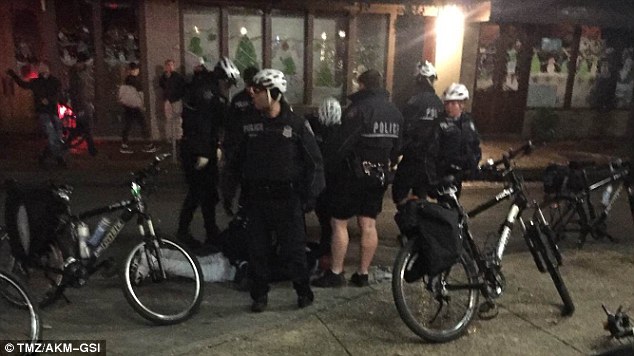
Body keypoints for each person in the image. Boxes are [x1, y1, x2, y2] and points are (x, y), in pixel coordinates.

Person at [231, 68, 325, 312]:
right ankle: (259, 296)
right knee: (257, 251)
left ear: (273, 93)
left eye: (258, 90)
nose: (252, 94)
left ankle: (303, 291)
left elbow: (314, 162)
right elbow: (234, 160)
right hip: (257, 199)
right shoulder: (249, 123)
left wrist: (309, 197)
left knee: (295, 250)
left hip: (288, 199)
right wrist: (229, 194)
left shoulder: (296, 124)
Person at [312, 69, 403, 288]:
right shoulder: (395, 113)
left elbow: (342, 146)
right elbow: (397, 148)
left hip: (352, 177)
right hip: (379, 175)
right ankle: (362, 273)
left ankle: (335, 273)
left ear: (362, 85)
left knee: (339, 223)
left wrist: (327, 169)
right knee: (368, 224)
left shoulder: (358, 110)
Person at [177, 57, 240, 251]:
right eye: (229, 82)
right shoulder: (207, 92)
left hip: (205, 148)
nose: (229, 87)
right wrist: (204, 153)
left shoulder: (212, 91)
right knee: (197, 192)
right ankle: (183, 232)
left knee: (210, 193)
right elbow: (202, 125)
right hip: (196, 150)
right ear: (222, 78)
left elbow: (220, 122)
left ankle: (211, 231)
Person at [392, 60, 444, 205]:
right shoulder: (439, 103)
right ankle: (420, 218)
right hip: (431, 159)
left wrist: (395, 154)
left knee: (399, 194)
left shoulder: (413, 102)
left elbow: (405, 129)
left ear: (419, 79)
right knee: (422, 193)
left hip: (412, 157)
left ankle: (409, 220)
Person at [426, 83, 482, 197]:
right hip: (444, 176)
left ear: (462, 104)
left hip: (459, 175)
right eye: (446, 103)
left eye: (453, 103)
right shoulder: (440, 124)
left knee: (454, 209)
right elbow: (430, 154)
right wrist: (433, 181)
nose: (448, 107)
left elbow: (475, 146)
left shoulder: (468, 123)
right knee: (447, 209)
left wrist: (472, 166)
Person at [6, 61, 66, 168]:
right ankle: (59, 158)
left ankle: (44, 156)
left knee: (57, 135)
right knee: (52, 133)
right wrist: (13, 75)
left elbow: (58, 94)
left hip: (53, 111)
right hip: (43, 112)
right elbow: (23, 84)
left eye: (43, 67)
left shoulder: (54, 81)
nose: (41, 69)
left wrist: (50, 100)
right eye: (40, 67)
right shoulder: (36, 82)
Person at [306, 97, 343, 265]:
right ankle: (325, 245)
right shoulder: (315, 126)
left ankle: (327, 247)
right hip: (324, 175)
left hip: (331, 176)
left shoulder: (338, 130)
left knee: (329, 216)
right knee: (323, 212)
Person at [221, 65, 259, 216]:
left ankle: (245, 211)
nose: (251, 89)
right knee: (232, 176)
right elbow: (229, 124)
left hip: (254, 148)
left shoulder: (260, 99)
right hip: (237, 145)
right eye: (249, 84)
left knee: (249, 182)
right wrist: (226, 146)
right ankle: (228, 202)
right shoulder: (238, 99)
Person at [118, 62, 157, 154]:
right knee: (143, 124)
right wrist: (142, 105)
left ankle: (124, 145)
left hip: (127, 106)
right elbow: (139, 94)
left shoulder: (125, 80)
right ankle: (149, 145)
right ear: (135, 70)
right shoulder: (136, 80)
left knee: (127, 125)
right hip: (135, 107)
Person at [68, 51, 98, 156]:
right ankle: (92, 149)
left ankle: (66, 144)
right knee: (87, 126)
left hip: (84, 103)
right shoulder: (78, 74)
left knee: (81, 127)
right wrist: (79, 107)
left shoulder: (78, 72)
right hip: (82, 104)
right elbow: (77, 92)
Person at [159, 59, 186, 143]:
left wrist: (178, 96)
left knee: (178, 119)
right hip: (167, 101)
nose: (170, 67)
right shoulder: (164, 77)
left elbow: (182, 88)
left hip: (176, 100)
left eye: (171, 65)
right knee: (169, 119)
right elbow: (162, 86)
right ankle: (170, 137)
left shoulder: (178, 76)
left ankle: (178, 137)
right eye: (168, 65)